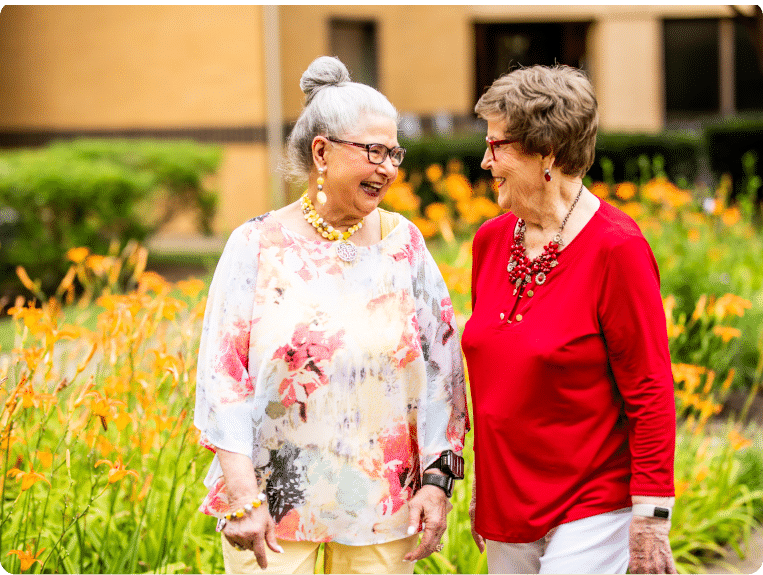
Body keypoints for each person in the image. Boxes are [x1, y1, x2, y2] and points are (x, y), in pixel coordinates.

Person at [193, 56, 469, 575]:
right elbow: (221, 377)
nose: (388, 167)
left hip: (382, 500)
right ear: (322, 151)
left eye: (394, 152)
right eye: (374, 151)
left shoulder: (404, 244)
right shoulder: (256, 245)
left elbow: (442, 372)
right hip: (269, 504)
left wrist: (437, 481)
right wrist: (243, 494)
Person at [461, 64, 678, 575]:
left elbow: (649, 388)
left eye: (498, 146)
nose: (485, 160)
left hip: (591, 499)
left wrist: (651, 517)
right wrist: (483, 488)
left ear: (548, 152)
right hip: (508, 503)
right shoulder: (490, 242)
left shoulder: (616, 249)